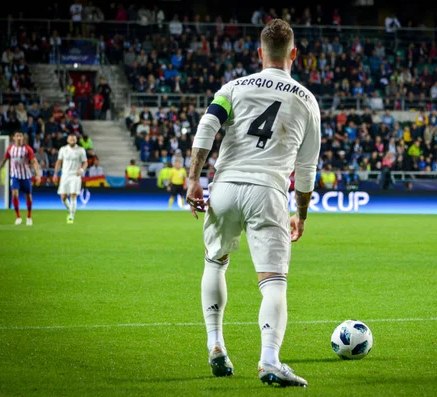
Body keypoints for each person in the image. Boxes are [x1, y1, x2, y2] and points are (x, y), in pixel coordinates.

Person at [185, 19, 320, 387]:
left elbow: (207, 127)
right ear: (294, 54)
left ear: (259, 53)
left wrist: (194, 177)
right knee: (273, 282)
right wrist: (301, 215)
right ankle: (270, 360)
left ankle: (215, 345)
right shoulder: (307, 100)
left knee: (215, 262)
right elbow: (306, 171)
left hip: (225, 186)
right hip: (268, 191)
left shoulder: (233, 87)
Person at [0, 131, 42, 225]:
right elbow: (4, 160)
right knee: (14, 194)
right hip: (15, 176)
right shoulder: (10, 149)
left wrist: (38, 174)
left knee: (28, 197)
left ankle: (29, 217)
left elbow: (34, 161)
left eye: (21, 136)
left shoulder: (27, 149)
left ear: (23, 138)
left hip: (26, 176)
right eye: (17, 136)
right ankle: (18, 217)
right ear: (14, 138)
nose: (19, 138)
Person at [52, 134, 88, 224]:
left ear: (76, 140)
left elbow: (85, 162)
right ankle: (70, 209)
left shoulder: (81, 150)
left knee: (73, 195)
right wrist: (55, 174)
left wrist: (82, 169)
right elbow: (59, 162)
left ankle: (71, 216)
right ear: (67, 140)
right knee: (63, 196)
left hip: (75, 175)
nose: (72, 140)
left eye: (74, 138)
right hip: (65, 175)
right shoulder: (63, 149)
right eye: (70, 138)